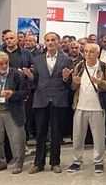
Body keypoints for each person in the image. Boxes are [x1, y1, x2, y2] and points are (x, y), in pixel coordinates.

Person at [25, 32, 73, 174]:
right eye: (48, 40)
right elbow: (34, 82)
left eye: (53, 40)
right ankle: (38, 163)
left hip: (58, 99)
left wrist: (65, 78)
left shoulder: (66, 60)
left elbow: (70, 85)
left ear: (58, 42)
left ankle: (55, 163)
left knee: (56, 133)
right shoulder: (38, 59)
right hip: (41, 99)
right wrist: (30, 77)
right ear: (44, 42)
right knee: (40, 132)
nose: (50, 42)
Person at [66, 43, 106, 174]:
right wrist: (74, 83)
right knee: (77, 136)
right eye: (86, 51)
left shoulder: (105, 67)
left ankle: (98, 162)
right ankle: (76, 161)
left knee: (98, 137)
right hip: (80, 106)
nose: (87, 54)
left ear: (97, 53)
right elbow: (73, 87)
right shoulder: (79, 66)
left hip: (98, 107)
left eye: (91, 52)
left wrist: (99, 82)